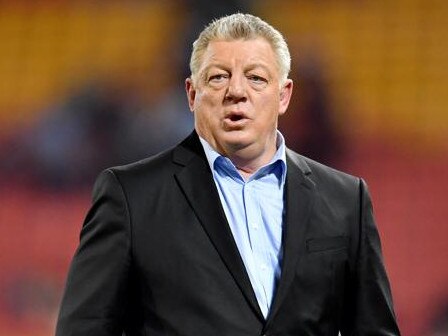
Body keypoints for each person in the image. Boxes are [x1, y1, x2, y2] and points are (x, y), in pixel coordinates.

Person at [55, 13, 400, 336]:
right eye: (219, 77)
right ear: (192, 94)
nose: (237, 92)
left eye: (256, 78)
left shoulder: (345, 200)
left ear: (284, 95)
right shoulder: (131, 196)